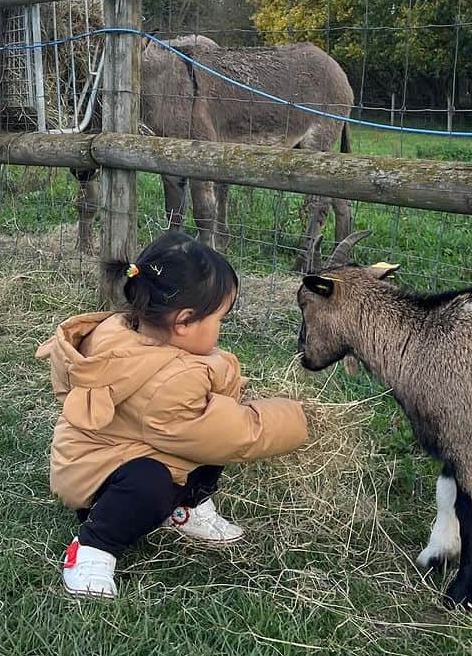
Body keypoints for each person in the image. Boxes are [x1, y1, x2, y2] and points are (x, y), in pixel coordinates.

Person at [37, 231, 309, 599]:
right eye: (219, 320)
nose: (220, 330)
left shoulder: (124, 330)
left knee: (205, 437)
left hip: (125, 449)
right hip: (96, 474)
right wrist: (295, 417)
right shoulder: (170, 381)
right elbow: (235, 433)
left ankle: (184, 509)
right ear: (183, 322)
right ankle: (93, 548)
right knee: (161, 475)